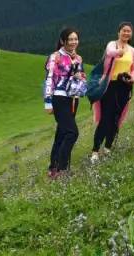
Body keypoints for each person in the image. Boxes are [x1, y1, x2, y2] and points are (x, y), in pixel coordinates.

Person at [90, 22, 134, 163]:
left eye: (129, 31)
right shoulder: (112, 44)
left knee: (116, 118)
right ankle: (95, 151)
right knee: (105, 118)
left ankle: (108, 148)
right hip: (109, 86)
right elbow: (109, 53)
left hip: (124, 86)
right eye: (124, 31)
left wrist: (132, 78)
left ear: (131, 34)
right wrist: (119, 52)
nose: (126, 33)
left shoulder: (133, 50)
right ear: (119, 32)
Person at [43, 27, 86, 179]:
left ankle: (53, 168)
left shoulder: (78, 58)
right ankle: (62, 169)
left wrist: (80, 76)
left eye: (76, 39)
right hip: (59, 97)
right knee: (72, 132)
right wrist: (48, 102)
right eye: (71, 39)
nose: (74, 42)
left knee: (61, 134)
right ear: (63, 41)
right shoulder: (55, 57)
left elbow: (80, 75)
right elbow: (49, 79)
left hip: (73, 98)